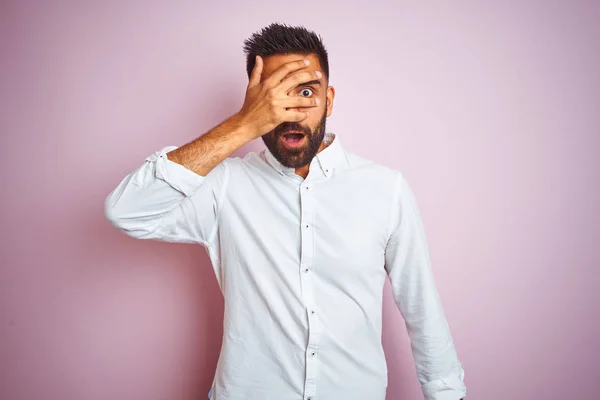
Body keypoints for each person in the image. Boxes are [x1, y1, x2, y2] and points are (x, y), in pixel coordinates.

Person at [105, 23, 466, 400]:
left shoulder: (385, 189)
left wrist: (446, 393)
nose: (291, 112)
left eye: (306, 92)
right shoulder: (224, 185)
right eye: (274, 97)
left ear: (329, 99)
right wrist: (242, 124)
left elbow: (421, 307)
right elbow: (126, 211)